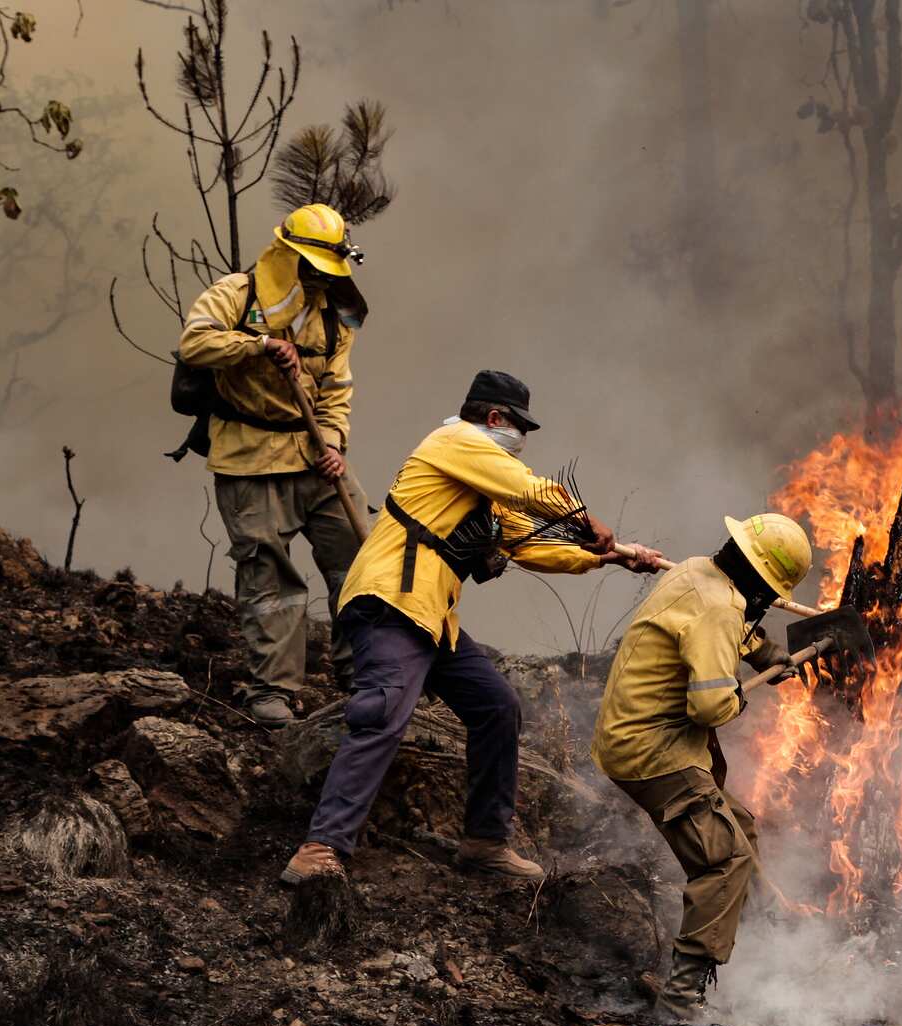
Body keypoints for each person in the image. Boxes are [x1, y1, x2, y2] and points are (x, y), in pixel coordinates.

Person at [280, 369, 664, 885]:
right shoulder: (454, 441)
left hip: (432, 618)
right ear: (493, 418)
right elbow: (530, 490)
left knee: (497, 707)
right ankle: (319, 848)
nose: (520, 441)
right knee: (383, 711)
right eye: (518, 427)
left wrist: (611, 559)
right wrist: (586, 518)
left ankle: (484, 842)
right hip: (390, 599)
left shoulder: (487, 493)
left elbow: (532, 545)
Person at [590, 512, 810, 1018]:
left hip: (635, 735)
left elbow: (723, 628)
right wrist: (737, 695)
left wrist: (765, 652)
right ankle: (681, 1001)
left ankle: (762, 946)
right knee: (724, 860)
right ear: (761, 581)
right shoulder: (718, 611)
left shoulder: (695, 571)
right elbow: (711, 707)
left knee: (742, 829)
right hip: (654, 752)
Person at [178, 203, 372, 728]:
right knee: (272, 580)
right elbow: (193, 340)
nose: (315, 279)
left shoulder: (334, 315)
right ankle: (273, 694)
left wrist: (333, 442)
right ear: (287, 255)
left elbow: (337, 392)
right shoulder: (237, 294)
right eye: (308, 267)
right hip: (250, 458)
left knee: (359, 563)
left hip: (317, 460)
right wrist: (258, 345)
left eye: (324, 270)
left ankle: (367, 675)